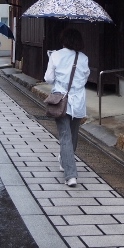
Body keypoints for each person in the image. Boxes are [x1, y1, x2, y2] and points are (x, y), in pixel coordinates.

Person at [44, 28, 90, 187]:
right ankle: (65, 161)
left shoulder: (55, 55)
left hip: (60, 100)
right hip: (77, 101)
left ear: (63, 40)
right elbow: (85, 78)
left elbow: (48, 78)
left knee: (65, 136)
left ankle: (70, 175)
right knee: (73, 135)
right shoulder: (83, 58)